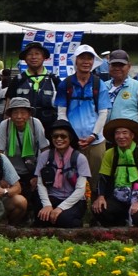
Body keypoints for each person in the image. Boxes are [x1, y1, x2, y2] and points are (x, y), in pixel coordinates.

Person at [55, 44, 110, 178]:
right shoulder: (65, 84)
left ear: (93, 62)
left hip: (96, 141)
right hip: (71, 141)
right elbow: (61, 113)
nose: (86, 62)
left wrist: (93, 135)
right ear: (76, 61)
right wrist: (72, 135)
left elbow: (103, 113)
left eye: (89, 58)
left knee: (97, 178)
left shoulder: (99, 84)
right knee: (70, 178)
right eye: (82, 58)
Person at [92, 118, 138, 228]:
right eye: (117, 133)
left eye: (124, 133)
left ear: (132, 135)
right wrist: (101, 197)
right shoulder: (110, 153)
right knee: (99, 210)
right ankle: (120, 223)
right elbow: (103, 178)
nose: (121, 136)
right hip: (118, 196)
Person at [0, 97, 49, 214]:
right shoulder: (4, 125)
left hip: (32, 168)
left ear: (29, 114)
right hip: (11, 170)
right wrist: (3, 176)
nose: (19, 116)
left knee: (36, 196)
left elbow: (45, 149)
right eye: (15, 113)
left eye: (23, 112)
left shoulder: (36, 124)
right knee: (14, 198)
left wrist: (38, 175)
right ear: (10, 114)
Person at [34, 120, 90, 228]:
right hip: (52, 197)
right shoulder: (45, 156)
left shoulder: (80, 158)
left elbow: (80, 190)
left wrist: (61, 208)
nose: (59, 139)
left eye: (63, 136)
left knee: (64, 220)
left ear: (70, 138)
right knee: (42, 217)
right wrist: (47, 205)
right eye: (55, 136)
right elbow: (40, 184)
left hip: (73, 199)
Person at [104, 50, 138, 143]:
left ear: (129, 66)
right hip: (107, 139)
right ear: (109, 66)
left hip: (129, 140)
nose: (117, 68)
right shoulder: (103, 87)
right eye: (114, 65)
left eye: (121, 65)